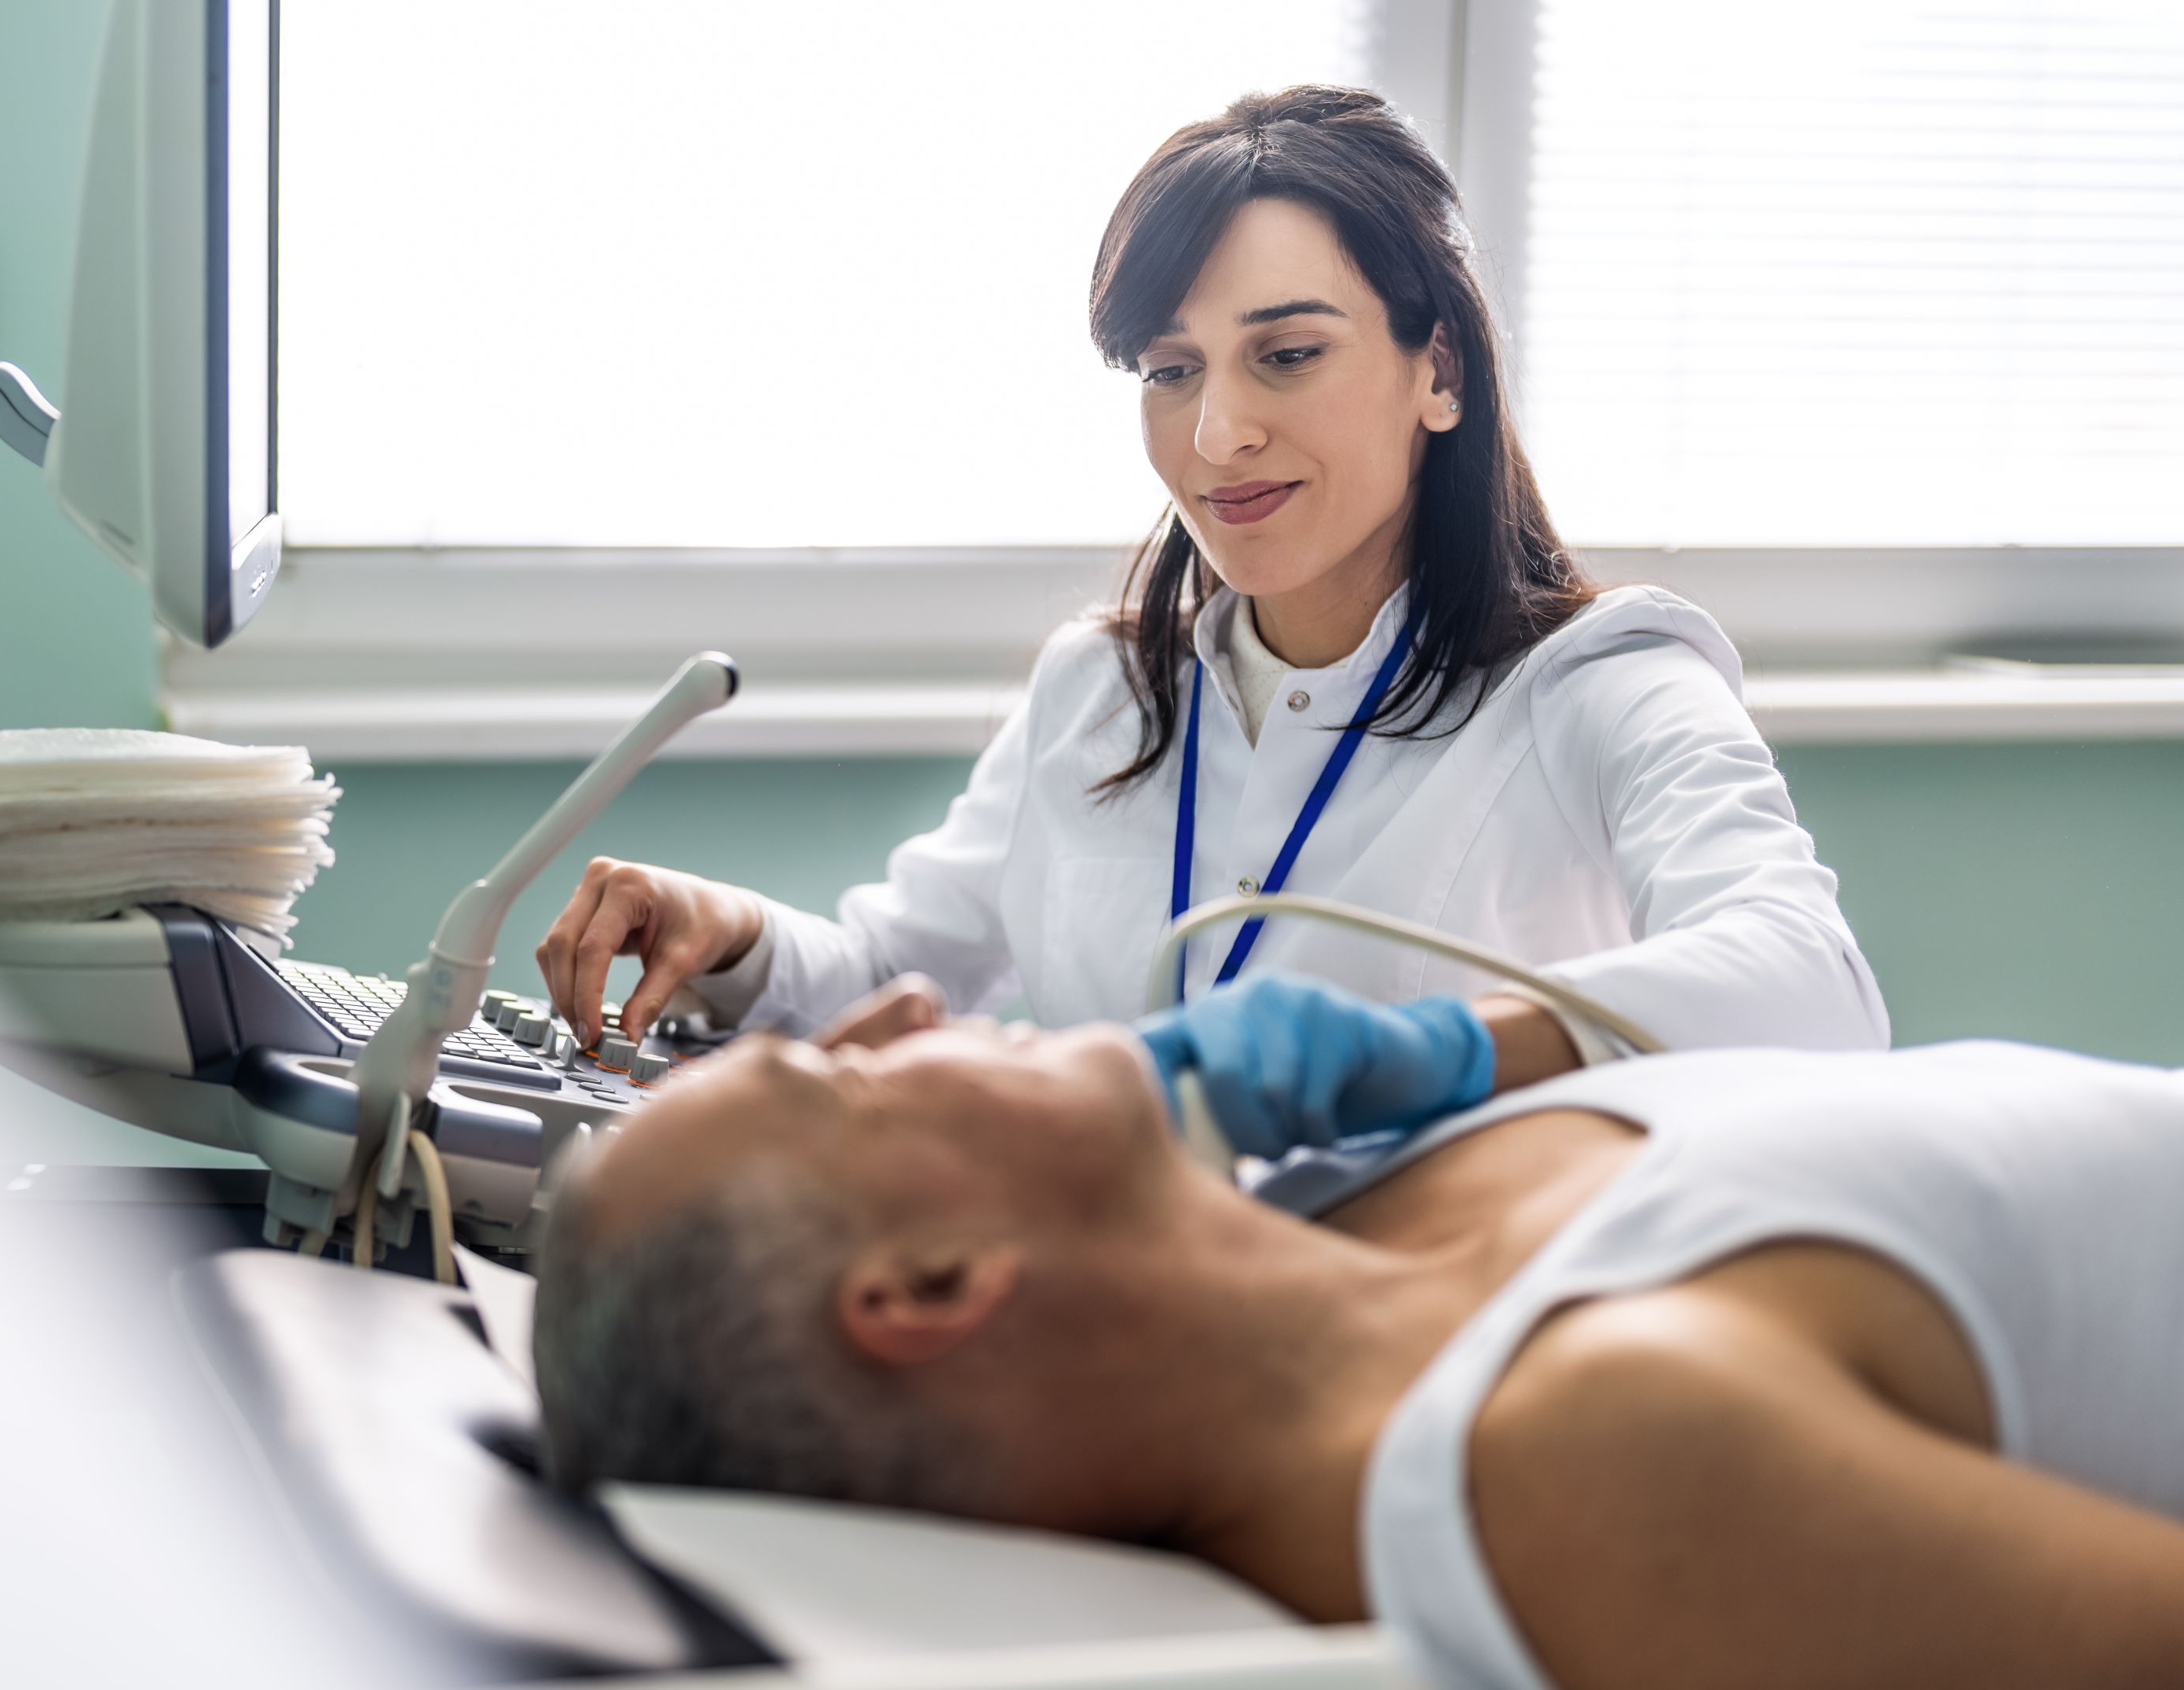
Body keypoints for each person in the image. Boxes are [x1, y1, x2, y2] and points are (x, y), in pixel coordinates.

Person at [530, 986, 2184, 1690]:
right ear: (924, 1284)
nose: (902, 1009)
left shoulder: (1358, 1199)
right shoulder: (1592, 1465)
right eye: (835, 1074)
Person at [534, 86, 1886, 1153]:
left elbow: (1814, 993)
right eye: (1170, 371)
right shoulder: (1104, 691)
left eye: (1287, 354)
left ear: (1442, 370)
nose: (1218, 433)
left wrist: (1427, 1055)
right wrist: (723, 929)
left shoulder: (1598, 682)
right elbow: (896, 974)